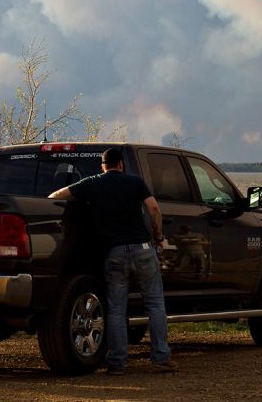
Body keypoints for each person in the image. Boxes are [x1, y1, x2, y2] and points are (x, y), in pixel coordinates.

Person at [49, 147, 177, 375]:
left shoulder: (92, 183)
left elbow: (57, 196)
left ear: (103, 166)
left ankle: (117, 362)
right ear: (121, 164)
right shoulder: (135, 182)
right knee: (155, 304)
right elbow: (154, 208)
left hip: (114, 253)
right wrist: (158, 237)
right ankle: (161, 358)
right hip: (143, 249)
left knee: (117, 309)